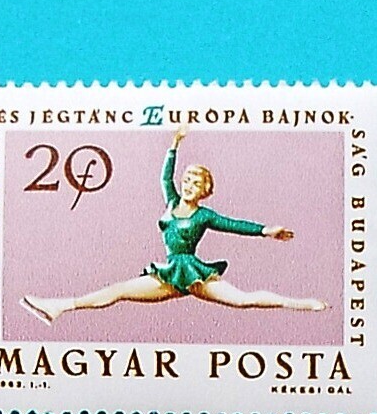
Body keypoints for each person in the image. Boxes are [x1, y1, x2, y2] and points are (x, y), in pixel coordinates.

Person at [21, 126, 327, 323]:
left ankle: (301, 303)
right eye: (187, 180)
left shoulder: (204, 215)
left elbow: (233, 224)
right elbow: (165, 177)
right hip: (168, 275)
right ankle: (59, 306)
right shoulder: (171, 202)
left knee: (244, 301)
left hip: (194, 274)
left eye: (197, 182)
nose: (190, 185)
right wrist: (174, 144)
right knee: (118, 291)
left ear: (205, 190)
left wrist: (265, 231)